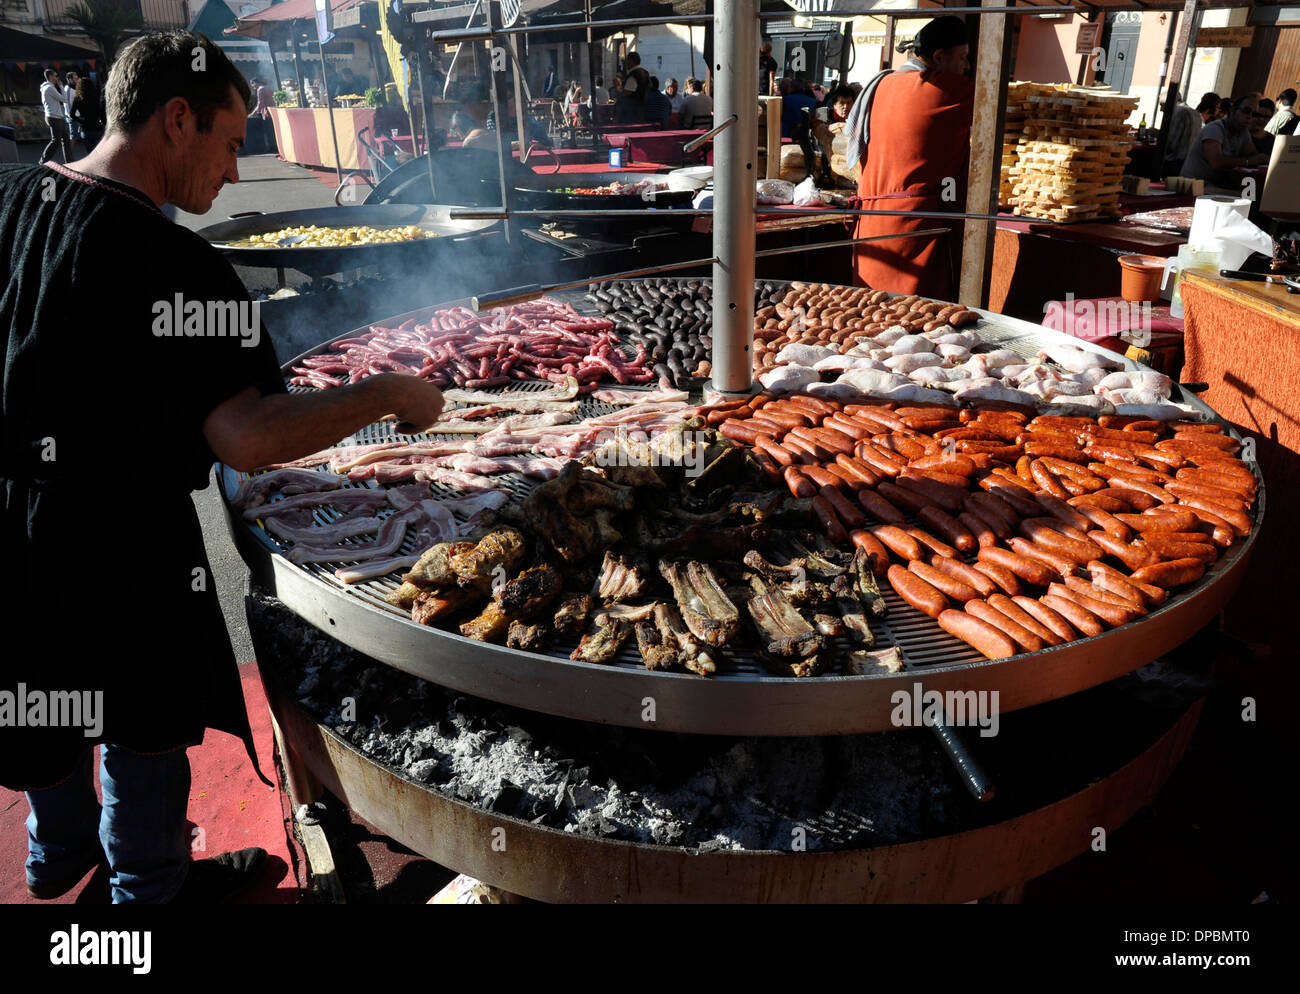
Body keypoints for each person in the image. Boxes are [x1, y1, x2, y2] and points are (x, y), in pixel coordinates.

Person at [0, 30, 443, 904]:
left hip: (11, 525)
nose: (236, 173)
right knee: (138, 724)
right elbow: (246, 435)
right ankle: (148, 893)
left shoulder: (10, 200)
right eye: (232, 143)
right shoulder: (176, 264)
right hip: (122, 548)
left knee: (42, 699)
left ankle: (55, 858)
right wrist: (389, 393)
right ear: (176, 119)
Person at [846, 14, 974, 299]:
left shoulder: (882, 83)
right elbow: (997, 97)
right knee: (914, 323)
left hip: (870, 223)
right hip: (911, 232)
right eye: (963, 57)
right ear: (939, 57)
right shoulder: (939, 89)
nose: (967, 67)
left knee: (869, 319)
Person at [1179, 94, 1270, 185]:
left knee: (1253, 193)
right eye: (1246, 111)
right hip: (1193, 185)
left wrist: (1263, 158)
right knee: (1248, 197)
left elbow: (1253, 155)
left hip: (1216, 185)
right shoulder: (1215, 128)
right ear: (1233, 110)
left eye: (1254, 114)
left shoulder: (1243, 132)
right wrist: (1248, 161)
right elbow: (1216, 161)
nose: (1249, 117)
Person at [1162, 90, 1203, 175]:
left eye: (1162, 105)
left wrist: (1160, 136)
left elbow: (1171, 143)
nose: (1161, 109)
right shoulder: (1195, 113)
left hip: (1174, 163)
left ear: (1170, 101)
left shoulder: (1178, 112)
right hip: (1189, 162)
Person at [39, 69, 74, 164]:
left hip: (57, 117)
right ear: (50, 77)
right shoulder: (49, 88)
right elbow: (64, 99)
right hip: (54, 117)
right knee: (56, 141)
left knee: (65, 140)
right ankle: (43, 161)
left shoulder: (47, 87)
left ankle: (70, 161)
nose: (57, 78)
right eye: (55, 76)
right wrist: (61, 86)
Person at [616, 52, 649, 124]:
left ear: (631, 61)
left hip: (632, 112)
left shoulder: (633, 75)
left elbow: (627, 92)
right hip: (643, 109)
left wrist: (619, 91)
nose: (626, 63)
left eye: (627, 61)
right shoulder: (646, 73)